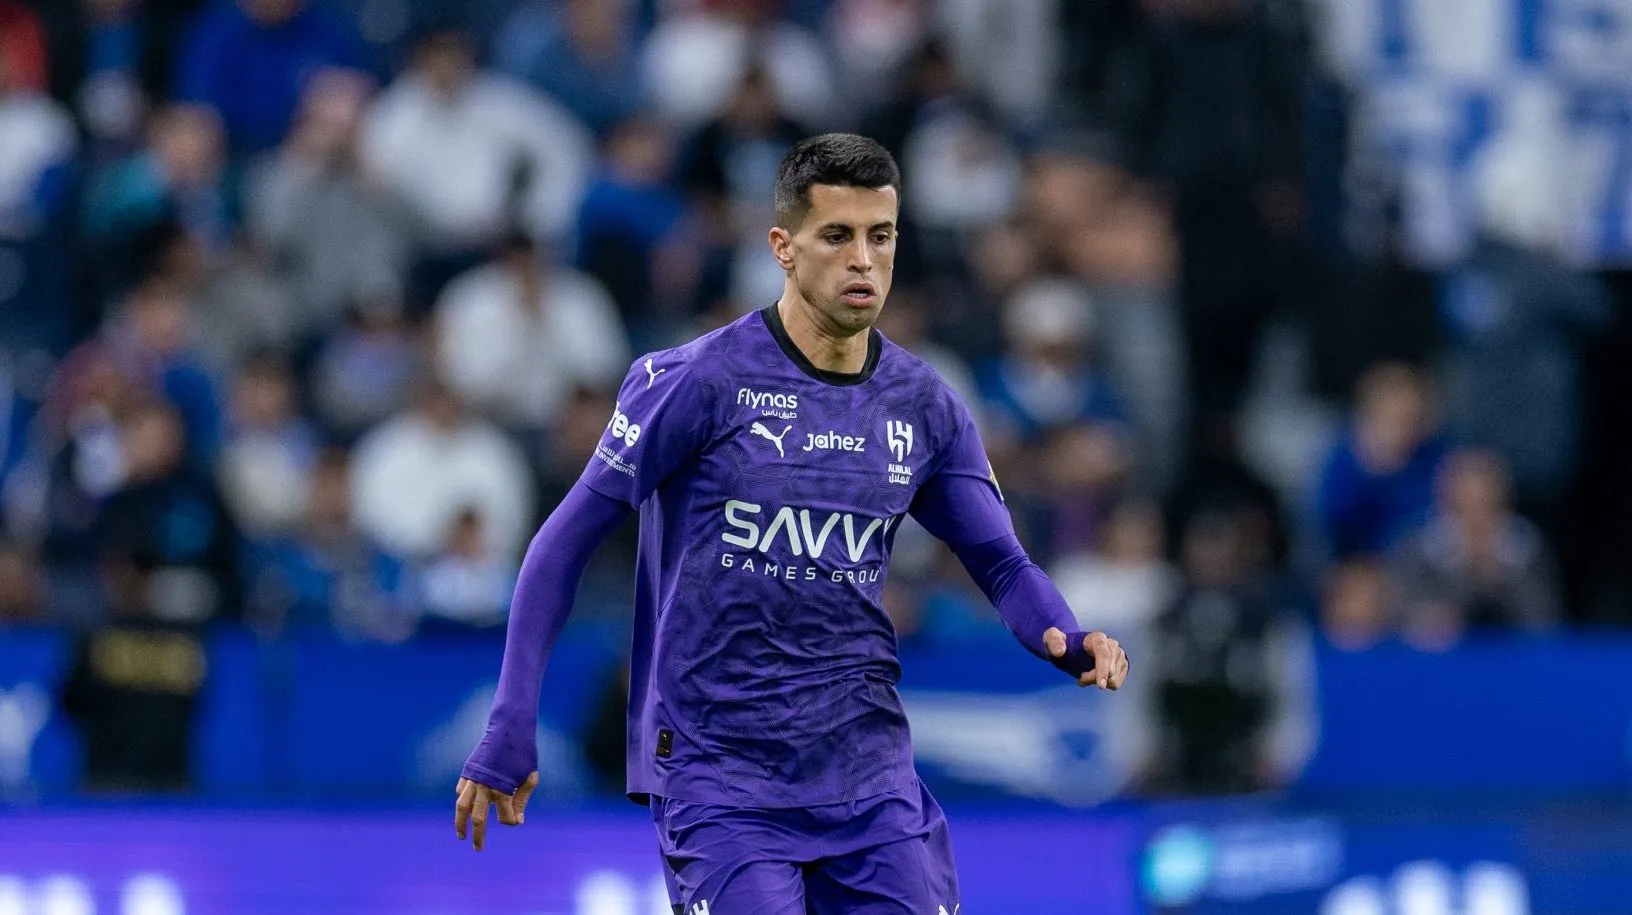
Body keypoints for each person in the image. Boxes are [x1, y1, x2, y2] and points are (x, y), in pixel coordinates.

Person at [453, 134, 1129, 913]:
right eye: (837, 236)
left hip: (870, 780)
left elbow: (1002, 563)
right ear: (783, 246)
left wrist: (1064, 634)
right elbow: (558, 547)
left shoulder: (925, 405)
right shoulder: (699, 382)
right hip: (723, 780)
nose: (863, 261)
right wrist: (511, 720)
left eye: (881, 237)